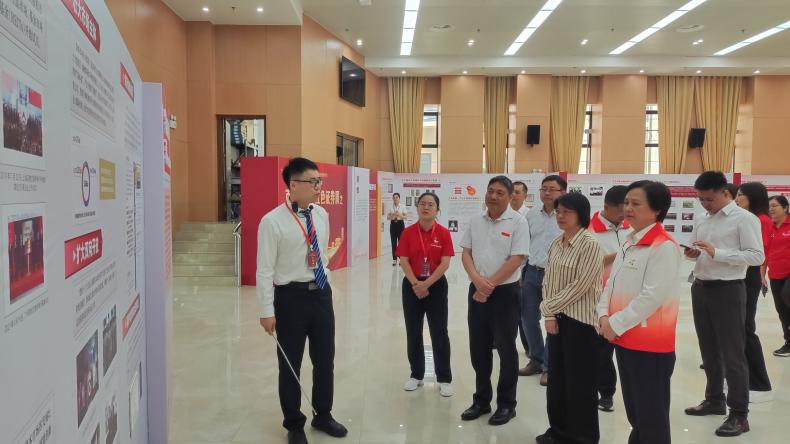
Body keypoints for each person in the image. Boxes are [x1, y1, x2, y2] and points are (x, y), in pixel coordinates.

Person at [257, 158, 347, 444]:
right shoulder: (271, 222)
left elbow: (320, 256)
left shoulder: (321, 214)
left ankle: (323, 414)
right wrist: (266, 311)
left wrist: (326, 282)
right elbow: (264, 270)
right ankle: (294, 423)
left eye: (320, 181)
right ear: (293, 185)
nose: (319, 187)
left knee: (325, 359)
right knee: (290, 364)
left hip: (320, 295)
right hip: (290, 299)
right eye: (313, 182)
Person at [598, 180, 680, 444]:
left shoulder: (664, 246)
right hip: (625, 338)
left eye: (636, 204)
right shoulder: (629, 241)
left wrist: (614, 323)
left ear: (656, 210)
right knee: (637, 413)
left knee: (651, 416)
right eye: (626, 203)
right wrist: (603, 315)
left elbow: (651, 297)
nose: (628, 209)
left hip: (650, 345)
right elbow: (610, 284)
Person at [684, 171, 764, 438]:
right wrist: (692, 253)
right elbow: (697, 251)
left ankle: (739, 414)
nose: (705, 204)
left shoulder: (745, 219)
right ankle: (714, 399)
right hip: (701, 287)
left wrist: (717, 253)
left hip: (728, 289)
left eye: (709, 199)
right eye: (700, 199)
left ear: (725, 193)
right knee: (708, 350)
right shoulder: (702, 218)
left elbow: (756, 256)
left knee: (732, 354)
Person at [459, 176, 529, 426]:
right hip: (477, 290)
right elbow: (466, 252)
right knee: (478, 347)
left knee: (506, 349)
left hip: (505, 294)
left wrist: (488, 285)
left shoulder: (518, 222)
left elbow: (517, 258)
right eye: (490, 191)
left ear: (510, 197)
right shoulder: (475, 220)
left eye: (500, 193)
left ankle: (507, 404)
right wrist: (477, 281)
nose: (493, 196)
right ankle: (481, 400)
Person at [536, 193, 604, 444]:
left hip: (581, 324)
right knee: (558, 381)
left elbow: (580, 286)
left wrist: (547, 307)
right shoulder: (557, 243)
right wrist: (550, 313)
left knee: (580, 384)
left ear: (581, 215)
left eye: (567, 212)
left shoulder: (590, 244)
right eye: (558, 211)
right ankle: (558, 431)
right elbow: (548, 281)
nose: (561, 216)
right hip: (557, 320)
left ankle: (583, 437)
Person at [396, 192, 455, 397]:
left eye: (431, 204)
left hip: (436, 286)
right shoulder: (408, 232)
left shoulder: (444, 233)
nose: (426, 207)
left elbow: (445, 263)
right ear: (417, 207)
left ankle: (444, 378)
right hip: (412, 285)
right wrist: (416, 284)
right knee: (413, 331)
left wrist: (427, 284)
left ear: (437, 210)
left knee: (439, 332)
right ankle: (416, 374)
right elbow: (403, 260)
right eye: (422, 203)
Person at [588, 185, 630, 412]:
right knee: (601, 352)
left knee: (625, 351)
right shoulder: (589, 230)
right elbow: (586, 265)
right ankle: (606, 393)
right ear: (606, 207)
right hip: (598, 301)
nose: (625, 215)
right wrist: (621, 254)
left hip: (627, 300)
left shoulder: (631, 227)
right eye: (621, 210)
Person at [521, 175, 567, 386]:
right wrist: (521, 274)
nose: (547, 193)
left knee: (553, 320)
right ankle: (536, 360)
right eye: (543, 189)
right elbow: (525, 244)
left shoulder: (567, 215)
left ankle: (550, 366)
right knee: (528, 318)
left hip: (557, 275)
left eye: (552, 189)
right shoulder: (531, 215)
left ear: (562, 192)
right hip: (532, 272)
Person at [734, 182, 773, 399]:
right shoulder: (749, 217)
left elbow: (759, 253)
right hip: (744, 273)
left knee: (747, 326)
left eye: (741, 195)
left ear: (753, 197)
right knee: (741, 326)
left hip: (750, 275)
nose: (737, 198)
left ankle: (759, 380)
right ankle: (746, 375)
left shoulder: (761, 220)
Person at [767, 195, 790, 357]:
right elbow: (765, 251)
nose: (771, 209)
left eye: (774, 205)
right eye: (769, 206)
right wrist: (762, 275)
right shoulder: (769, 227)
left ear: (785, 208)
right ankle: (788, 343)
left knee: (787, 295)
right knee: (782, 310)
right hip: (775, 274)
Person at [511, 180, 530, 357]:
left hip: (523, 271)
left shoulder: (529, 216)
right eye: (512, 192)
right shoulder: (503, 214)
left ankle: (528, 347)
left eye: (517, 192)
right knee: (506, 310)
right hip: (504, 272)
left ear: (525, 195)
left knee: (524, 312)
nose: (514, 195)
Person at [388, 193, 407, 266]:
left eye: (397, 197)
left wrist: (399, 214)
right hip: (393, 225)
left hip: (400, 224)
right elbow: (388, 217)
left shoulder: (403, 206)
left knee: (401, 243)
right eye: (394, 197)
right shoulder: (390, 207)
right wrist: (393, 214)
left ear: (399, 198)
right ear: (392, 199)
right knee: (393, 243)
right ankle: (394, 259)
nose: (395, 199)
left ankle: (401, 259)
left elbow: (405, 217)